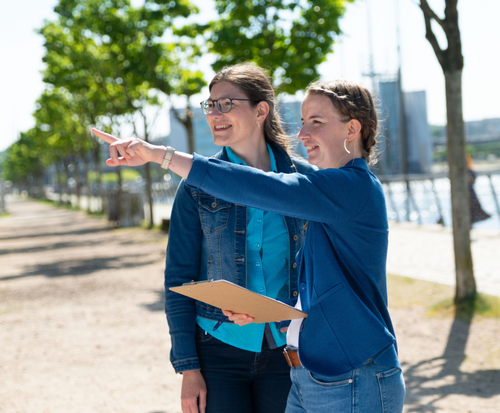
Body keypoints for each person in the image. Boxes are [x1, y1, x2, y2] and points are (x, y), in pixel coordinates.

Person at [93, 79, 406, 413]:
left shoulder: (348, 188)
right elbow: (330, 289)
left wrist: (160, 155)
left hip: (351, 371)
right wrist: (268, 309)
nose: (302, 134)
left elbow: (256, 186)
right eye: (302, 122)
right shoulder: (330, 192)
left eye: (316, 122)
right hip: (317, 373)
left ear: (352, 129)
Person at [164, 64, 316, 413]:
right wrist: (188, 367)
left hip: (289, 349)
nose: (214, 114)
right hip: (216, 348)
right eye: (210, 105)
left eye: (227, 104)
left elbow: (324, 271)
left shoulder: (306, 182)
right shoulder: (195, 186)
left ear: (261, 110)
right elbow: (178, 279)